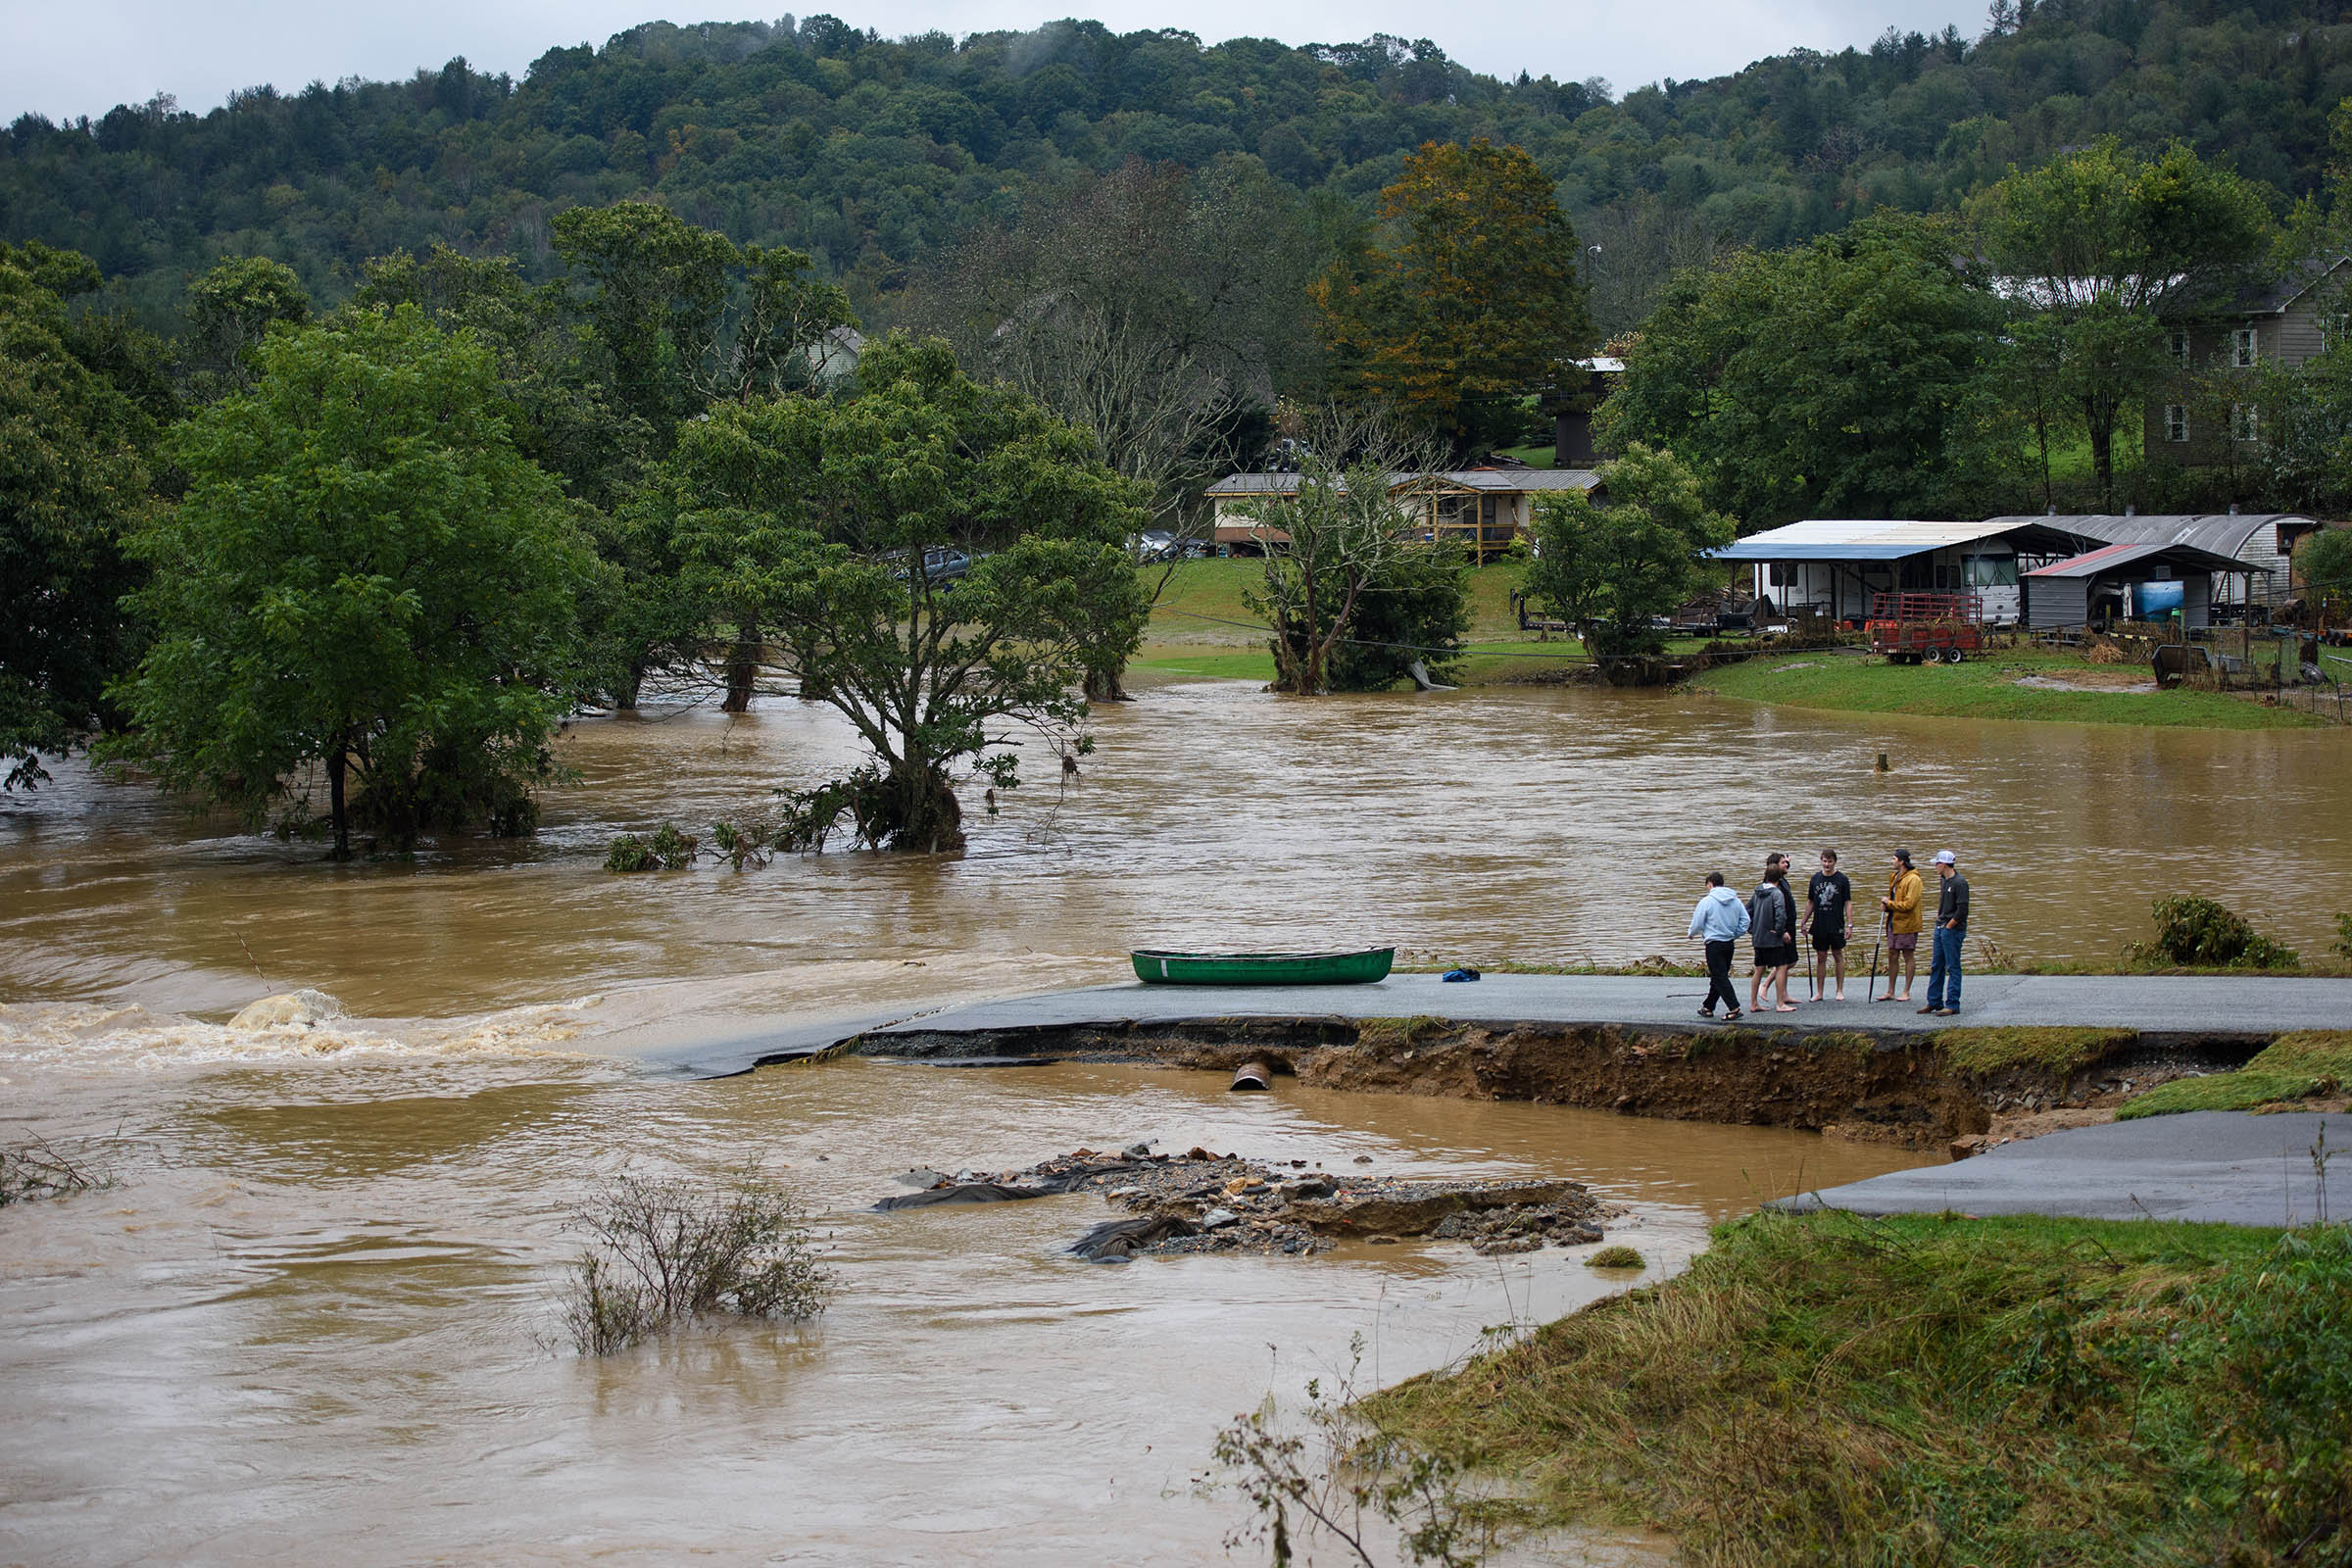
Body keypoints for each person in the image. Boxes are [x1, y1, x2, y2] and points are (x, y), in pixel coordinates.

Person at [1687, 871, 1750, 1020]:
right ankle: (1708, 1007)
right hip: (1729, 943)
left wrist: (1691, 933)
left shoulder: (1707, 901)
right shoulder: (1735, 900)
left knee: (1719, 976)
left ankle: (1734, 1008)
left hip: (1713, 943)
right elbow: (1746, 920)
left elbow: (1698, 922)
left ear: (1710, 884)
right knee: (1719, 975)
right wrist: (1736, 934)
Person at [1748, 853, 1798, 1013]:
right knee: (1782, 966)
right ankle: (1780, 1003)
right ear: (1779, 879)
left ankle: (1753, 1003)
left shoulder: (1757, 892)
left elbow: (1746, 911)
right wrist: (1780, 932)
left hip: (1758, 938)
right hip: (1773, 938)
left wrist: (1751, 929)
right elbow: (1780, 915)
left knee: (1759, 969)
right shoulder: (1777, 893)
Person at [1923, 849, 1971, 1016]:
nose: (1935, 867)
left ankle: (1952, 1004)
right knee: (1937, 965)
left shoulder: (1960, 883)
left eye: (1937, 864)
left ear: (1943, 865)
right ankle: (1934, 1001)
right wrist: (1939, 922)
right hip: (1940, 926)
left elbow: (1963, 909)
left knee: (1953, 966)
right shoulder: (1943, 880)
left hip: (1952, 929)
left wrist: (1950, 925)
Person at [1804, 848, 1854, 1003]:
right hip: (1819, 923)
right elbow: (1811, 902)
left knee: (1838, 954)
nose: (1827, 864)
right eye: (1824, 861)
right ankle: (1819, 992)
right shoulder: (1815, 879)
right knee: (1821, 957)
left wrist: (1850, 924)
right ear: (1821, 861)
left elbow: (1848, 903)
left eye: (1830, 861)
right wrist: (1804, 921)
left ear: (1834, 862)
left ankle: (1839, 990)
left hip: (1836, 922)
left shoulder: (1842, 880)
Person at [1879, 849, 1922, 1003]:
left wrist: (1889, 904)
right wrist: (1887, 906)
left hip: (1907, 923)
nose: (1892, 861)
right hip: (1893, 922)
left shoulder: (1914, 879)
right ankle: (1890, 991)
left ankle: (1906, 991)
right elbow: (1893, 899)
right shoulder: (1894, 877)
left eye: (1894, 859)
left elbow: (1909, 904)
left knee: (1907, 954)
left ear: (1902, 861)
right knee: (1892, 954)